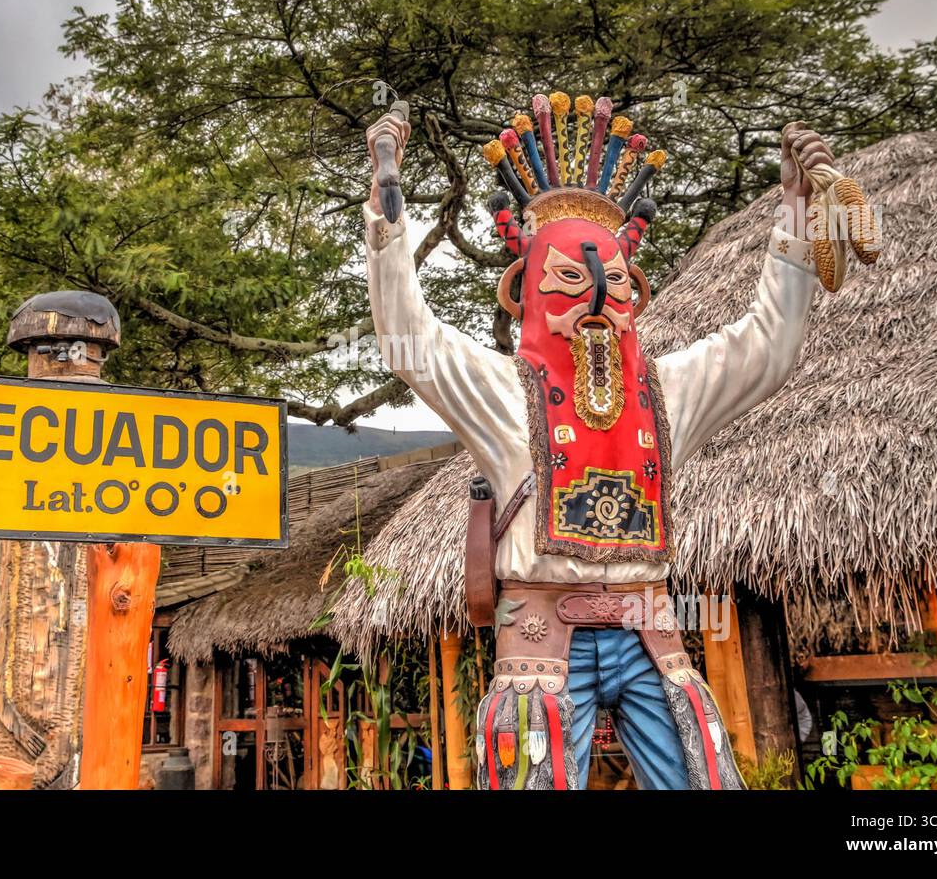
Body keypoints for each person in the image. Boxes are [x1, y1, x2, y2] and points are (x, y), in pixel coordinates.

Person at [363, 94, 846, 789]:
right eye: (568, 280)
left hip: (652, 634)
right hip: (538, 636)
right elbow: (410, 342)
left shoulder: (669, 391)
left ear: (634, 295)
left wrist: (798, 211)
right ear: (527, 291)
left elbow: (767, 349)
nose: (594, 298)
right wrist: (387, 213)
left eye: (612, 283)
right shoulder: (501, 391)